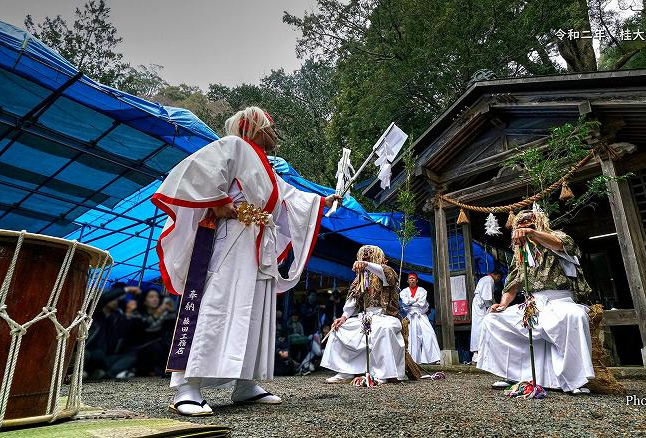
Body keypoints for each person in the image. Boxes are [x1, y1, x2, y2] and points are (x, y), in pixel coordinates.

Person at [151, 106, 342, 416]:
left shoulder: (267, 168)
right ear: (255, 128)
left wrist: (322, 201)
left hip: (255, 245)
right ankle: (188, 387)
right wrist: (221, 200)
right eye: (271, 126)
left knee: (253, 312)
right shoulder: (235, 146)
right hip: (231, 239)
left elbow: (289, 197)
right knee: (216, 304)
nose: (275, 133)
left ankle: (244, 383)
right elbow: (196, 171)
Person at [476, 209, 594, 394]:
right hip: (533, 304)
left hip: (560, 300)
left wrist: (532, 234)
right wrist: (503, 304)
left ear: (538, 223)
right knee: (492, 321)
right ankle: (514, 375)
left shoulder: (557, 236)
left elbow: (562, 245)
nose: (524, 228)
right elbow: (513, 284)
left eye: (529, 224)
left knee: (576, 316)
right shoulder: (520, 252)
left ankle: (573, 381)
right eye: (521, 226)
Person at [321, 245, 406, 384]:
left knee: (383, 328)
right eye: (364, 257)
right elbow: (352, 301)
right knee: (340, 328)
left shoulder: (387, 271)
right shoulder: (360, 279)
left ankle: (381, 374)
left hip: (387, 317)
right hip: (366, 317)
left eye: (369, 257)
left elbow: (385, 273)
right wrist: (343, 318)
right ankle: (346, 371)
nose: (365, 258)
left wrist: (366, 264)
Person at [399, 273, 440, 364]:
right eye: (410, 278)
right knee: (411, 338)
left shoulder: (422, 290)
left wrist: (411, 301)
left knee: (429, 333)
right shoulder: (404, 291)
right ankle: (413, 360)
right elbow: (405, 303)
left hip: (421, 315)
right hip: (410, 316)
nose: (412, 280)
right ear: (407, 281)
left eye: (414, 278)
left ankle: (432, 358)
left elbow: (422, 303)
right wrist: (415, 300)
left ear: (417, 280)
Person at [470, 269, 503, 363]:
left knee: (479, 328)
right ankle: (477, 353)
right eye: (499, 278)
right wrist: (494, 307)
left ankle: (479, 353)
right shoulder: (489, 280)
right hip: (481, 306)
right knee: (480, 328)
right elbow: (487, 297)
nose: (498, 281)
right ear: (497, 276)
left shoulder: (485, 279)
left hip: (480, 305)